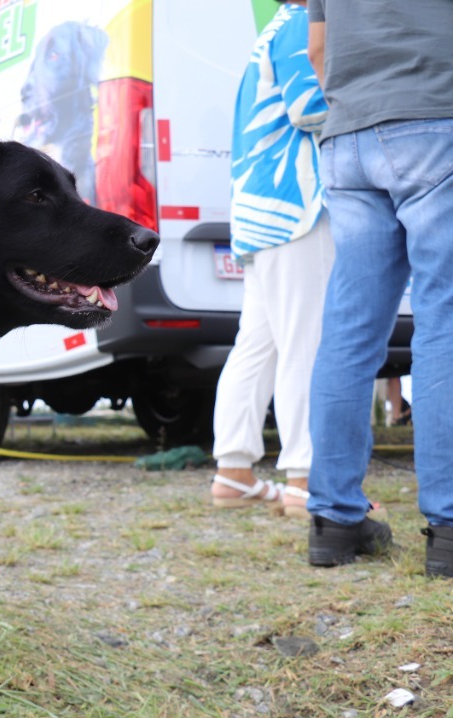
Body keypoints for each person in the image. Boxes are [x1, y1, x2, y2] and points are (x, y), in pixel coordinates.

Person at [305, 0, 453, 575]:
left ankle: (335, 521)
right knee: (444, 320)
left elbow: (318, 48)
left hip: (348, 138)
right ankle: (447, 524)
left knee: (350, 329)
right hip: (437, 118)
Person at [209, 0, 330, 520]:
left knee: (259, 345)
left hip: (261, 209)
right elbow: (309, 106)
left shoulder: (276, 28)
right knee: (306, 342)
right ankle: (306, 478)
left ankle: (234, 472)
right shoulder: (304, 24)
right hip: (296, 207)